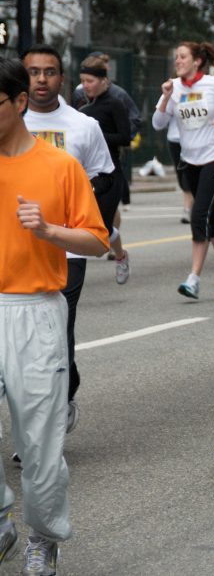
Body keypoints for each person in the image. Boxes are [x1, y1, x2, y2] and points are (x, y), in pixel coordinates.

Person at [0, 57, 109, 576]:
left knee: (39, 445)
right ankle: (2, 516)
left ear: (20, 103)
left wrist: (47, 231)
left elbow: (96, 240)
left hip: (36, 310)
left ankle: (43, 536)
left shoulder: (59, 165)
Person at [22, 44, 115, 436]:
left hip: (66, 249)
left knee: (56, 330)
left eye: (50, 72)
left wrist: (84, 213)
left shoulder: (82, 126)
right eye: (33, 72)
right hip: (15, 251)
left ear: (63, 78)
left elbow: (107, 178)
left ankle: (51, 414)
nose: (41, 79)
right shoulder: (11, 123)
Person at [152, 41, 214, 299]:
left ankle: (194, 278)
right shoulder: (174, 87)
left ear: (197, 61)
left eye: (182, 57)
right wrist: (166, 97)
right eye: (176, 57)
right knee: (212, 217)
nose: (177, 61)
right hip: (189, 160)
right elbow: (158, 123)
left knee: (198, 213)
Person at [77, 53, 132, 284]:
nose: (85, 86)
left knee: (103, 227)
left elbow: (125, 137)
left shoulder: (115, 104)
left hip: (110, 174)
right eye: (83, 81)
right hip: (87, 175)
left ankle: (120, 256)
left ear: (103, 80)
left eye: (90, 81)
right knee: (81, 224)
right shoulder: (83, 108)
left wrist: (98, 134)